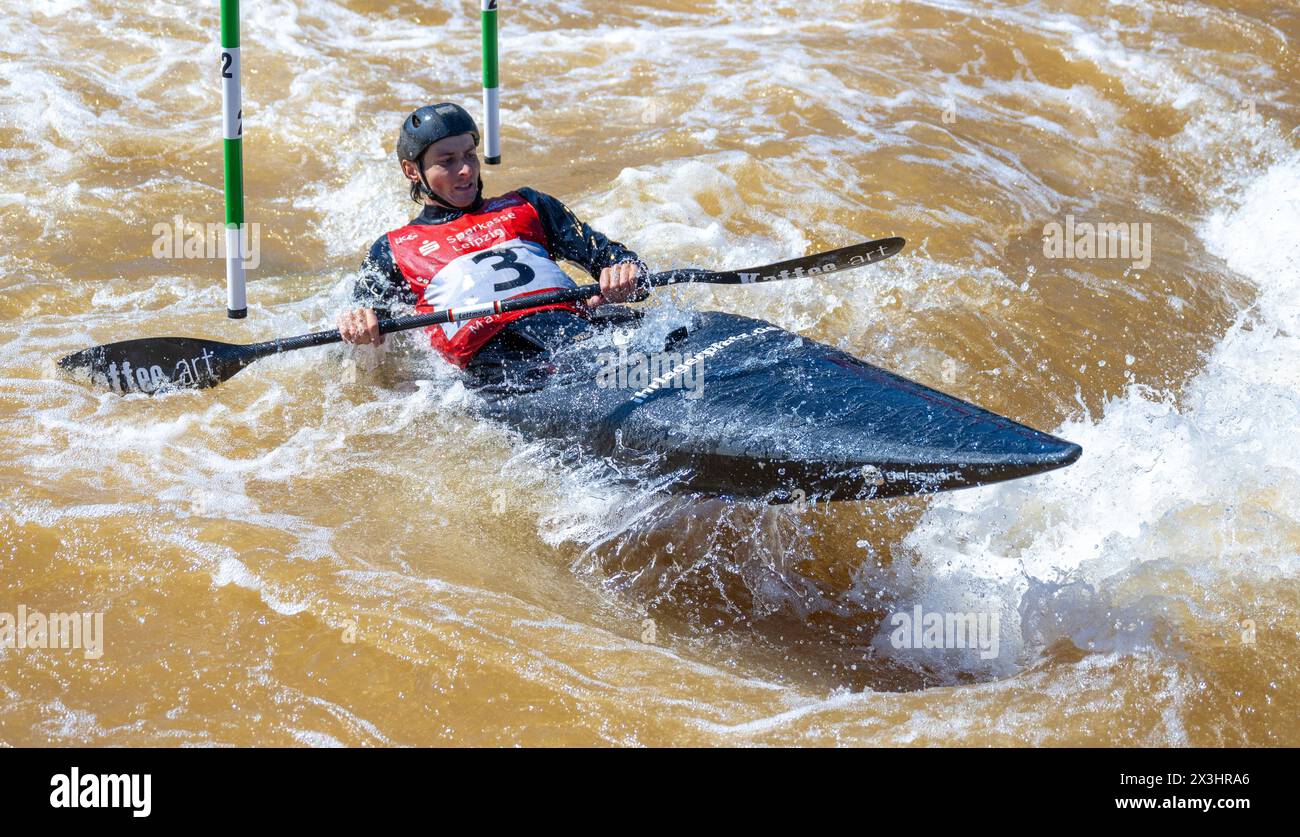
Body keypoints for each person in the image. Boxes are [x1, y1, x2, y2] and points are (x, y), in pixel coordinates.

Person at [336, 103, 645, 374]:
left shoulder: (528, 205)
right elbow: (361, 357)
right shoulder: (394, 249)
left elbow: (611, 258)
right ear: (411, 171)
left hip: (579, 332)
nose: (465, 170)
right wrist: (359, 328)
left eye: (469, 155)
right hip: (501, 365)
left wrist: (623, 271)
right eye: (447, 161)